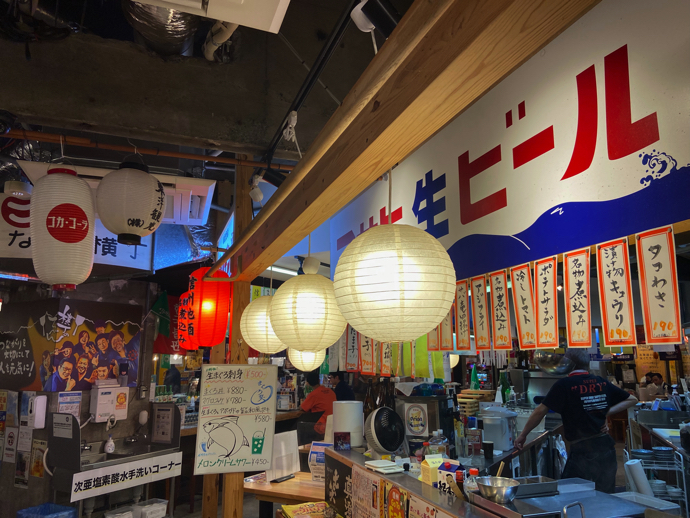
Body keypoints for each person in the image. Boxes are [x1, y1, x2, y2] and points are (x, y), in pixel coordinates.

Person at [515, 349, 637, 493]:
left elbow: (540, 411)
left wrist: (523, 435)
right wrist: (604, 412)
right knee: (605, 495)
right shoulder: (600, 382)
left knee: (571, 492)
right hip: (606, 449)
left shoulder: (565, 384)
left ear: (568, 363)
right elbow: (632, 399)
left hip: (583, 451)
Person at [301, 370, 337, 436]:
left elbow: (303, 408)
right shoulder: (331, 391)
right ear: (319, 380)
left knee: (302, 429)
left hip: (320, 427)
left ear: (308, 383)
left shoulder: (313, 394)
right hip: (334, 425)